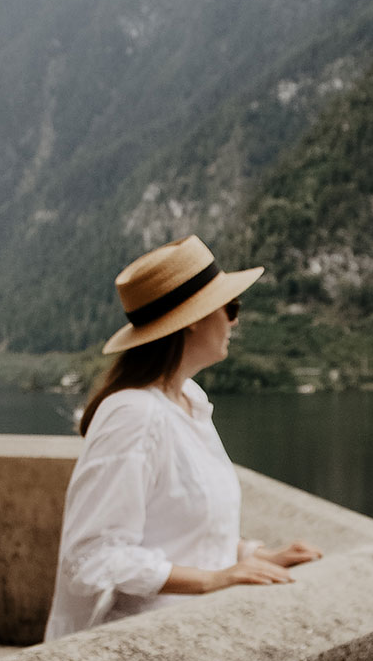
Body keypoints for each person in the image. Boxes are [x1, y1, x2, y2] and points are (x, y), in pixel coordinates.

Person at [45, 236, 322, 639]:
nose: (234, 320)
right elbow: (90, 556)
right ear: (193, 317)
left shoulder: (190, 400)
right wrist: (214, 580)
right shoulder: (133, 414)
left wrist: (253, 555)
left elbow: (179, 525)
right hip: (148, 642)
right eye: (230, 307)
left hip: (198, 631)